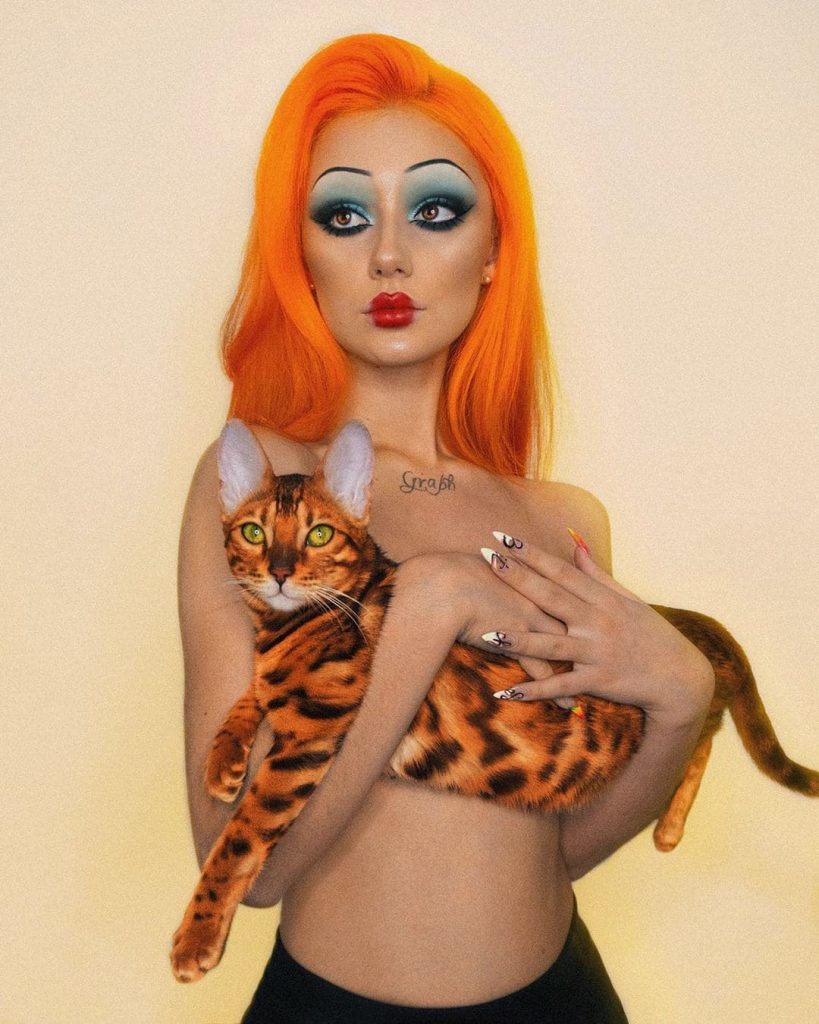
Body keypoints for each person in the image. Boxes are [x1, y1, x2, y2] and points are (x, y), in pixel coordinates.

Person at [178, 34, 715, 1022]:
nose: (389, 254)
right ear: (300, 256)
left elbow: (557, 848)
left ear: (495, 249)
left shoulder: (563, 518)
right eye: (344, 215)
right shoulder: (259, 491)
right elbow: (242, 866)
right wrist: (425, 612)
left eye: (435, 210)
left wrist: (683, 705)